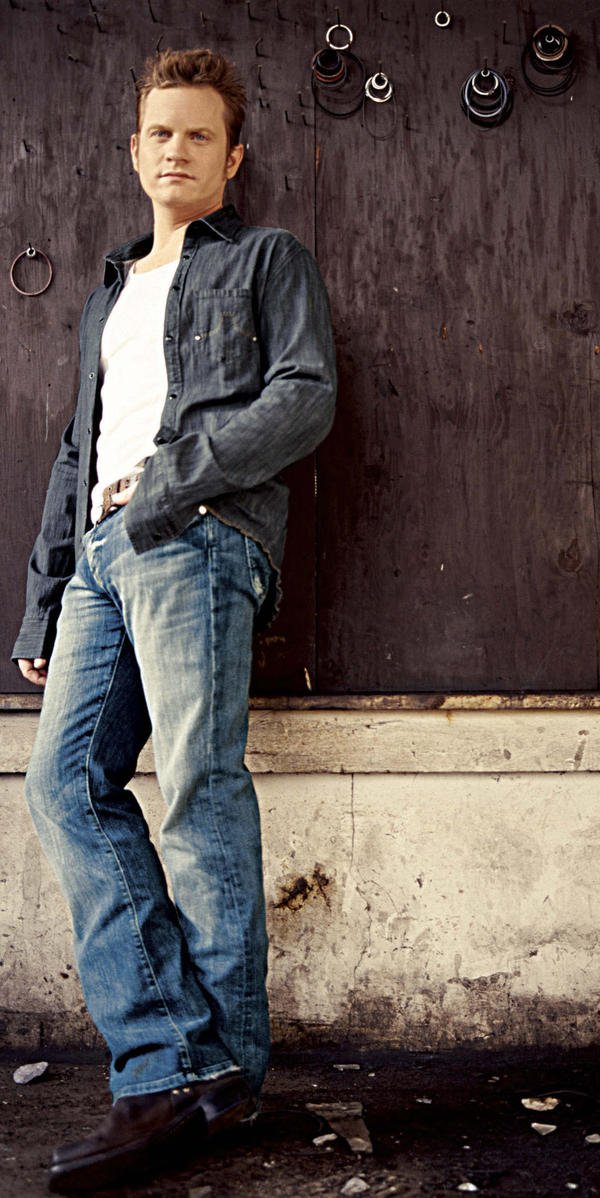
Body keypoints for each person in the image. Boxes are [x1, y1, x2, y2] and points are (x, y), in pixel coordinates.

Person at [13, 47, 336, 1193]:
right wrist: (45, 595)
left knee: (198, 788)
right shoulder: (108, 295)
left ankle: (213, 1075)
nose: (176, 150)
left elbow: (304, 396)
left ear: (232, 156)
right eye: (161, 132)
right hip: (101, 558)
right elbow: (77, 450)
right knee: (63, 785)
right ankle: (178, 1057)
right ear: (135, 148)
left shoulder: (265, 260)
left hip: (195, 532)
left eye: (200, 134)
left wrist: (169, 483)